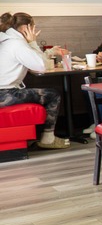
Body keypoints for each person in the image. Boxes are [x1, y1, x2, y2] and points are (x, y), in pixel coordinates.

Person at [0, 12, 70, 149]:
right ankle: (48, 139)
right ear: (24, 28)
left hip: (3, 93)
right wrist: (32, 42)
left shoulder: (7, 41)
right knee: (53, 95)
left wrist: (48, 52)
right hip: (5, 94)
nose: (34, 31)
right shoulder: (17, 44)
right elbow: (41, 66)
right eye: (33, 27)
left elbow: (33, 61)